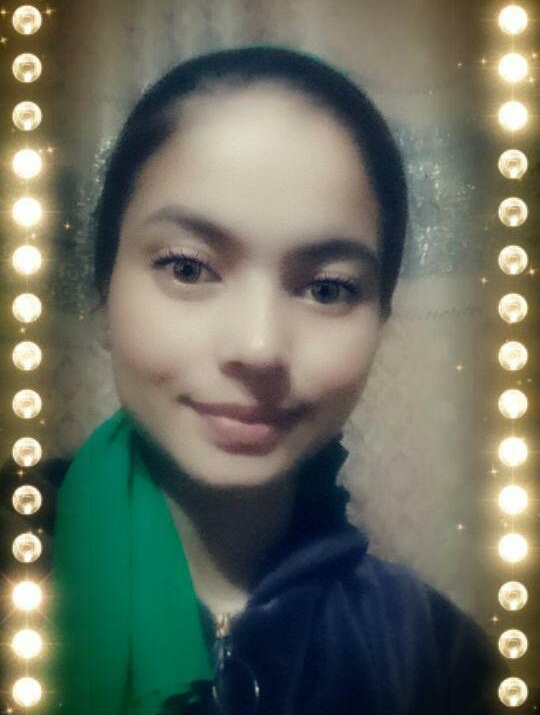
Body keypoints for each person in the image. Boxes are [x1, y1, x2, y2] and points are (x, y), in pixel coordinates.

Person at [1, 45, 507, 715]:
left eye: (327, 288)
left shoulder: (437, 658)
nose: (258, 346)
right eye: (188, 268)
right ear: (103, 292)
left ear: (380, 320)